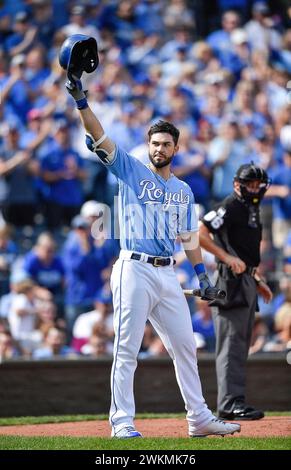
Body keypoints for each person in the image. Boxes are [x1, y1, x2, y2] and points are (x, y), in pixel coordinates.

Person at [64, 66, 241, 439]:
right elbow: (99, 134)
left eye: (166, 144)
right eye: (155, 143)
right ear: (149, 145)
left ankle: (199, 418)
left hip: (166, 273)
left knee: (185, 347)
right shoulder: (131, 169)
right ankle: (122, 422)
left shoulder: (183, 190)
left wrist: (203, 276)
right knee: (126, 348)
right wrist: (81, 99)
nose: (159, 148)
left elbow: (189, 236)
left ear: (177, 149)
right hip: (133, 268)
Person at [199, 163, 273, 420]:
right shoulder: (230, 205)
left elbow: (246, 253)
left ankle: (235, 400)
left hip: (246, 280)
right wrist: (227, 257)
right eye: (249, 184)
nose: (254, 188)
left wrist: (258, 278)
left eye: (257, 184)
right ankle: (229, 403)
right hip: (230, 281)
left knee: (240, 344)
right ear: (237, 184)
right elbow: (200, 232)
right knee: (230, 344)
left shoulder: (251, 208)